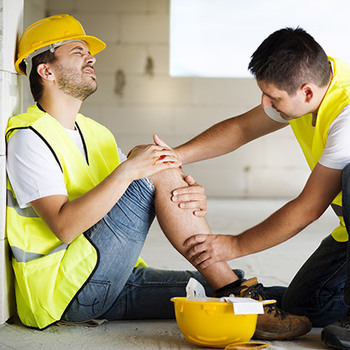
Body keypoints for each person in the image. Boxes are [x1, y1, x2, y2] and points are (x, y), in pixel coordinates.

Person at [6, 14, 311, 340]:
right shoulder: (29, 136)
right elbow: (64, 227)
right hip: (63, 291)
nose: (91, 57)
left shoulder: (96, 134)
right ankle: (236, 290)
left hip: (109, 278)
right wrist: (136, 171)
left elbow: (143, 188)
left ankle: (287, 301)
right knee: (154, 161)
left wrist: (187, 193)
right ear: (46, 70)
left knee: (250, 291)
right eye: (78, 51)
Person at [174, 27, 350, 349]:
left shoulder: (347, 114)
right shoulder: (313, 82)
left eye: (274, 98)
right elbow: (242, 128)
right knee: (305, 306)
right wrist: (175, 155)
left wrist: (235, 244)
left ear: (307, 92)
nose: (266, 104)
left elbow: (309, 208)